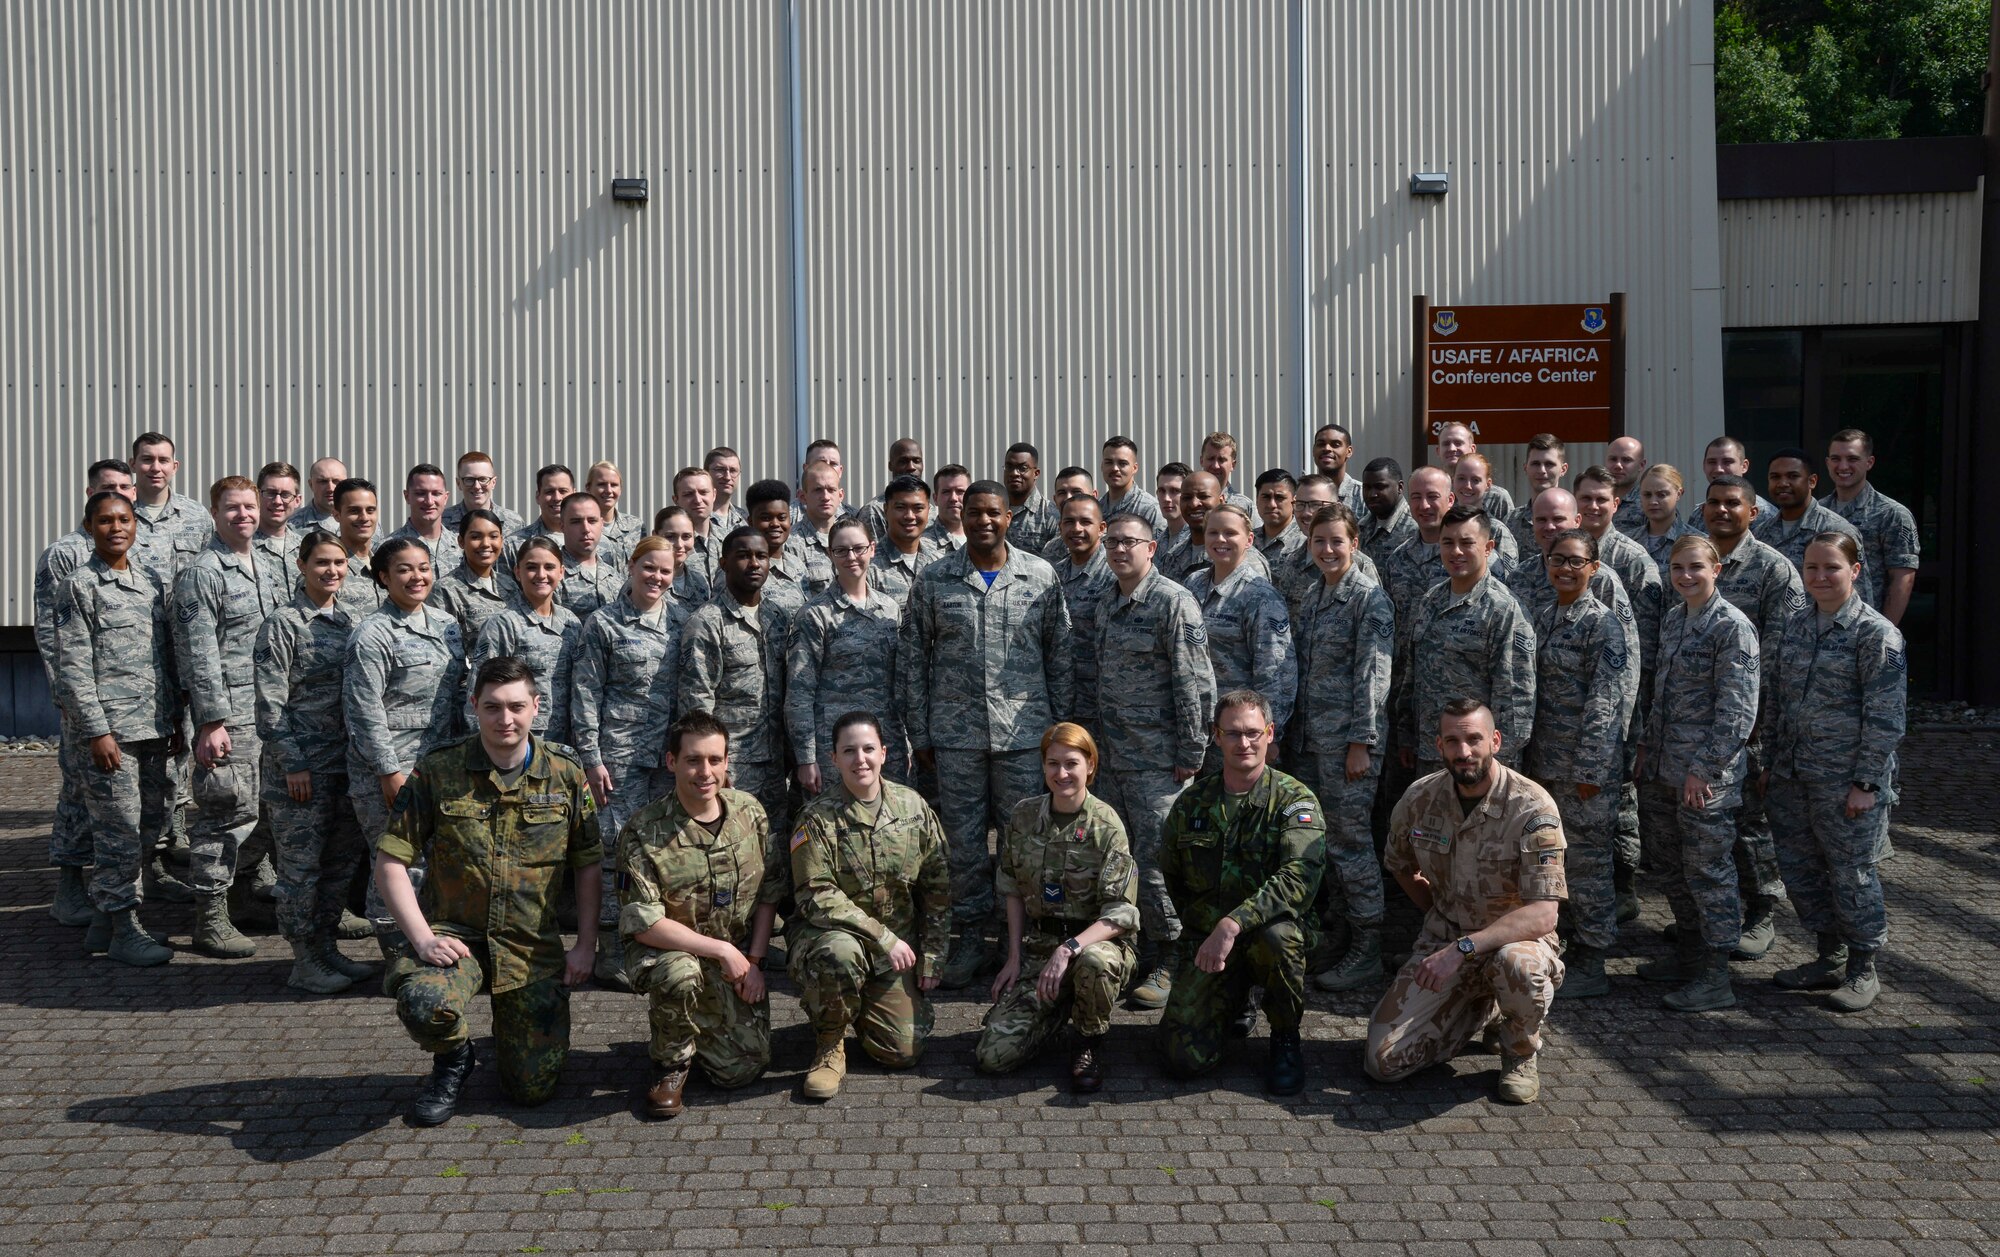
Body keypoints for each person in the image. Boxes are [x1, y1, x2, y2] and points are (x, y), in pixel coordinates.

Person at [376, 656, 599, 1126]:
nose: (506, 719)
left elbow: (588, 863)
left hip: (529, 945)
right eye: (493, 707)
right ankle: (454, 1056)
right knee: (424, 1004)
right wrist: (422, 939)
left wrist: (585, 945)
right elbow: (391, 862)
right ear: (474, 705)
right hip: (458, 937)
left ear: (537, 707)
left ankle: (511, 1032)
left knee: (532, 1092)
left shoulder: (565, 774)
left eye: (517, 706)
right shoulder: (439, 770)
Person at [899, 481, 1073, 988]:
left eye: (993, 513)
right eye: (974, 513)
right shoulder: (935, 579)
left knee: (1025, 841)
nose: (983, 522)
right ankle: (973, 937)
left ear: (1009, 518)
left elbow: (1059, 656)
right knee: (965, 845)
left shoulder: (1039, 576)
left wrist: (1059, 732)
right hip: (957, 737)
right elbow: (914, 660)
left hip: (1024, 736)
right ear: (961, 515)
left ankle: (1024, 942)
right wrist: (921, 732)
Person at [1363, 700, 1567, 1104]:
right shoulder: (1420, 798)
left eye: (1474, 739)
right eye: (1453, 741)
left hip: (1513, 943)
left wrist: (1465, 947)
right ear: (1439, 745)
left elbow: (1544, 913)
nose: (1464, 751)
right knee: (1383, 1063)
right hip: (1445, 941)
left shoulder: (1531, 806)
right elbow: (1401, 865)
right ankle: (1483, 1008)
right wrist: (1440, 917)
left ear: (1494, 740)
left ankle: (1519, 1051)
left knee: (1517, 966)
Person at [619, 709, 789, 1117]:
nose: (705, 771)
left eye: (715, 759)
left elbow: (770, 892)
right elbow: (645, 924)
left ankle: (705, 1030)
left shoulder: (750, 814)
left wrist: (754, 959)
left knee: (742, 1070)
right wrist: (723, 951)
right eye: (693, 760)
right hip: (670, 953)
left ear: (728, 762)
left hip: (735, 957)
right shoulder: (644, 831)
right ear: (671, 762)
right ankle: (671, 1064)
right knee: (680, 974)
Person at [1765, 533, 1906, 1011]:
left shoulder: (1876, 633)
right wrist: (1770, 761)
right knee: (1802, 870)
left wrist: (1867, 783)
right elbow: (1778, 701)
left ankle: (1863, 968)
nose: (1820, 577)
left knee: (1852, 875)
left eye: (1831, 568)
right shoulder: (1796, 625)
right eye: (1811, 569)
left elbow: (1886, 717)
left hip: (1847, 781)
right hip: (1793, 775)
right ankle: (1828, 955)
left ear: (1856, 570)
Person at [1158, 690, 1325, 1095]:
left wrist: (1233, 923)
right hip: (1210, 940)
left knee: (1277, 938)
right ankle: (1234, 996)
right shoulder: (1193, 803)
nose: (1244, 743)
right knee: (1181, 1060)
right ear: (1216, 737)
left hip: (1269, 935)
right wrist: (1205, 931)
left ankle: (1285, 1036)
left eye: (1253, 732)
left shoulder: (1294, 800)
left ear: (1269, 733)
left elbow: (1298, 877)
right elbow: (1174, 875)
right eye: (1232, 734)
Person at [789, 711, 952, 1099]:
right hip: (834, 941)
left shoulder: (913, 807)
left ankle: (860, 1005)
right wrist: (883, 937)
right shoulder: (816, 819)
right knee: (840, 954)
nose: (859, 759)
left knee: (902, 1052)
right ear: (833, 759)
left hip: (895, 952)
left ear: (884, 752)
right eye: (848, 751)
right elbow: (816, 895)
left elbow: (938, 885)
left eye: (867, 749)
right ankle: (830, 1044)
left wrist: (932, 956)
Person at [1093, 513, 1216, 1011]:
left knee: (1161, 864)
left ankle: (1173, 957)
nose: (1120, 550)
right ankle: (1139, 948)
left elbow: (1196, 683)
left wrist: (1191, 752)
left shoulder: (1173, 601)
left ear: (1153, 548)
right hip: (1116, 758)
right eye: (1114, 542)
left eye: (1131, 542)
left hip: (1160, 762)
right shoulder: (1108, 601)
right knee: (1121, 863)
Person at [54, 491, 184, 966]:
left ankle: (103, 923)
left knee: (151, 824)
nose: (116, 528)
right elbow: (73, 668)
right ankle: (124, 930)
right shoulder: (79, 585)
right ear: (89, 527)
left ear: (135, 525)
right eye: (105, 521)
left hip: (152, 725)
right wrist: (96, 732)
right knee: (119, 833)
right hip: (110, 734)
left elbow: (163, 656)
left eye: (124, 519)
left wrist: (174, 719)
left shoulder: (151, 580)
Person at [976, 722, 1138, 1091]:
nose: (1061, 773)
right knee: (992, 1058)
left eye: (1071, 763)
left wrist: (1069, 949)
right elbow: (1013, 888)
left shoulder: (1107, 826)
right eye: (1052, 763)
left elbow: (1120, 914)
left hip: (1096, 946)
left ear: (1090, 766)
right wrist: (1014, 957)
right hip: (1039, 950)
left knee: (1096, 964)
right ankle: (1056, 1012)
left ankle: (1088, 1040)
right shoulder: (1024, 816)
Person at [1637, 535, 1760, 1012]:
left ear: (1717, 570)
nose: (1685, 576)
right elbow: (1663, 696)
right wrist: (1648, 749)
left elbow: (1737, 711)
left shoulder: (1732, 627)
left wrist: (1703, 769)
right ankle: (1689, 954)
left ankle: (1716, 975)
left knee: (1709, 872)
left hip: (1705, 778)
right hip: (1667, 769)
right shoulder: (1675, 619)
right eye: (1677, 567)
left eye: (1696, 567)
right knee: (1671, 866)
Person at [256, 531, 378, 993]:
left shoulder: (351, 621)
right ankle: (303, 959)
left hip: (345, 766)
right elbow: (270, 704)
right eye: (322, 562)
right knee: (300, 871)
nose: (331, 571)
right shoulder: (284, 624)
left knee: (338, 865)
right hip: (301, 771)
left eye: (339, 563)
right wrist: (292, 762)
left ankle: (327, 948)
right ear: (303, 565)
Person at [172, 476, 286, 958]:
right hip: (231, 716)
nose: (244, 515)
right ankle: (209, 918)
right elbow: (198, 654)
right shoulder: (204, 572)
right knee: (226, 812)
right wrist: (210, 721)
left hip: (272, 711)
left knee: (265, 809)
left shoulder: (267, 564)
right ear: (215, 514)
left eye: (249, 507)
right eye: (232, 508)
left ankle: (240, 899)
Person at [1525, 530, 1639, 999]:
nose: (1565, 568)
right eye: (1557, 560)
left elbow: (1605, 705)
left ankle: (1594, 958)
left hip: (1583, 767)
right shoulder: (1546, 615)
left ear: (1594, 567)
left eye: (1576, 561)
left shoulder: (1602, 624)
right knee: (1556, 860)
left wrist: (1591, 771)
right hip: (1545, 762)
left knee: (1589, 865)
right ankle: (1567, 943)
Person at [572, 536, 691, 989]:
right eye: (649, 568)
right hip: (618, 754)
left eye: (665, 571)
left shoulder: (682, 621)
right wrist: (591, 757)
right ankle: (611, 947)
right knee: (613, 848)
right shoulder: (603, 624)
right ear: (630, 565)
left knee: (661, 849)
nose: (657, 577)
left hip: (667, 756)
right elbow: (586, 694)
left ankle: (655, 938)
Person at [343, 535, 468, 955]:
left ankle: (428, 943)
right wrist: (388, 771)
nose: (417, 577)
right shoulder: (372, 634)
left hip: (438, 765)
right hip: (391, 766)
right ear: (383, 577)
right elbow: (363, 709)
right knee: (396, 859)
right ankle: (395, 953)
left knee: (433, 860)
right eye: (404, 569)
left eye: (423, 567)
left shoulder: (446, 624)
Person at [1289, 505, 1394, 993]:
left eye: (1337, 541)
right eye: (1319, 541)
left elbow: (1373, 677)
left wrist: (1362, 743)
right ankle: (1339, 931)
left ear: (1355, 544)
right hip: (1312, 742)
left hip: (1347, 746)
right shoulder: (1313, 593)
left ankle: (1368, 945)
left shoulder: (1368, 600)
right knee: (1322, 845)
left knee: (1351, 845)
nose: (1327, 550)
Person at [1706, 473, 1805, 958]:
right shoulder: (1693, 560)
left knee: (1749, 823)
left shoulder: (1774, 570)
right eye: (1714, 504)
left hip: (1754, 723)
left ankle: (1761, 910)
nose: (1722, 511)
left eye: (1732, 503)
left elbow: (1786, 656)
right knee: (1707, 827)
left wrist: (1769, 734)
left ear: (1753, 512)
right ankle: (1714, 914)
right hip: (1697, 720)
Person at [38, 459, 139, 926]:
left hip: (139, 713)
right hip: (90, 711)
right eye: (106, 497)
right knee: (83, 800)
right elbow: (55, 641)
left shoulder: (144, 563)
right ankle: (74, 889)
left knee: (129, 814)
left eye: (124, 493)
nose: (116, 523)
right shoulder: (68, 562)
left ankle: (107, 913)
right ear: (88, 501)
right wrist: (79, 713)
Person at [1393, 506, 1537, 771]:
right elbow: (1412, 676)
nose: (1456, 551)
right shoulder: (1430, 601)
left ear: (1488, 547)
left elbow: (1516, 696)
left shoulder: (1503, 609)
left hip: (1478, 759)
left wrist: (1501, 761)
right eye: (1448, 542)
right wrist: (1406, 736)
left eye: (1467, 543)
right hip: (1430, 750)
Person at [680, 529, 795, 833]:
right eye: (743, 556)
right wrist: (713, 765)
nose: (754, 563)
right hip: (734, 761)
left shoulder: (778, 616)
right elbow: (697, 700)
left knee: (775, 850)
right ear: (723, 563)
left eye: (761, 556)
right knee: (731, 846)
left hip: (777, 760)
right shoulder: (707, 621)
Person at [786, 518, 907, 793]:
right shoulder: (815, 614)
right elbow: (799, 692)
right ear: (830, 554)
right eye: (841, 550)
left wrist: (906, 742)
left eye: (858, 548)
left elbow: (899, 683)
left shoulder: (888, 609)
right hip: (835, 747)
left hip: (886, 742)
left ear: (872, 549)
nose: (851, 557)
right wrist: (806, 758)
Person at [1183, 505, 1297, 761]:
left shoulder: (1259, 596)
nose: (1220, 540)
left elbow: (1276, 673)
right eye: (1213, 532)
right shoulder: (1192, 584)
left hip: (1240, 734)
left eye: (1230, 533)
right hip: (1197, 727)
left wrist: (1270, 735)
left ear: (1248, 540)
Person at [468, 537, 581, 744]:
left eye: (549, 567)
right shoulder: (502, 625)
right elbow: (479, 689)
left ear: (562, 572)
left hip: (566, 742)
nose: (541, 575)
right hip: (520, 741)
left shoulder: (571, 623)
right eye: (531, 567)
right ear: (517, 572)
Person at [1823, 428, 1920, 623]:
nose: (1843, 466)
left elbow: (1902, 579)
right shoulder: (1818, 511)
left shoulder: (1892, 514)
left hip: (1865, 627)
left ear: (1869, 463)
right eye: (1836, 458)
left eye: (1852, 459)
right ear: (1827, 462)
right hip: (1820, 626)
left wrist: (1885, 632)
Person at [1052, 494, 1114, 737]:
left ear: (1101, 528)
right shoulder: (1052, 574)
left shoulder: (1115, 575)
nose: (1076, 529)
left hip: (1103, 705)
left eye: (1085, 522)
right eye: (1069, 522)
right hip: (1062, 701)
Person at [1755, 449, 1862, 572]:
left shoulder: (1837, 530)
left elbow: (1859, 587)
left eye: (1793, 476)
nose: (1783, 483)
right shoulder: (1761, 533)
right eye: (1775, 477)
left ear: (1812, 481)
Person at [127, 431, 214, 581]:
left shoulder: (197, 514)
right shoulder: (116, 513)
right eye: (147, 459)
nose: (155, 468)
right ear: (133, 464)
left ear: (174, 467)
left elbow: (210, 568)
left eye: (163, 460)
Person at [430, 508, 519, 643]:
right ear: (461, 541)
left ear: (501, 540)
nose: (485, 544)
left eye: (493, 536)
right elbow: (441, 645)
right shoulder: (445, 590)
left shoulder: (510, 585)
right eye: (475, 537)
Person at [867, 474, 948, 603]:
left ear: (928, 510)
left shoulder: (940, 563)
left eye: (918, 508)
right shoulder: (868, 565)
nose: (909, 516)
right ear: (886, 510)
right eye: (900, 507)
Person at [553, 491, 626, 618]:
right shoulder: (553, 575)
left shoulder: (614, 575)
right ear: (562, 526)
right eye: (576, 521)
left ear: (602, 524)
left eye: (592, 521)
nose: (586, 529)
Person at [743, 479, 809, 613]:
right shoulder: (743, 569)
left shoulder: (797, 565)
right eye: (766, 518)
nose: (775, 524)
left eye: (782, 517)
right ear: (750, 522)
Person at [1685, 437, 1777, 532]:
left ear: (1744, 466)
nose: (1719, 469)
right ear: (1704, 466)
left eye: (1727, 462)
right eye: (1712, 462)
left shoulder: (1767, 515)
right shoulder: (1699, 513)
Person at [329, 478, 389, 620]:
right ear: (337, 515)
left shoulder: (386, 566)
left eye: (370, 510)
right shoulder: (329, 571)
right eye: (354, 510)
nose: (364, 517)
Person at [1433, 423, 1516, 520]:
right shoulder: (1432, 494)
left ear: (1472, 449)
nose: (1452, 448)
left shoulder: (1497, 497)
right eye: (1446, 444)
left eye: (1458, 443)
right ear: (1438, 451)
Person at [1505, 436, 1571, 555]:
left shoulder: (1575, 519)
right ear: (1525, 468)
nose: (1542, 470)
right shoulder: (1512, 521)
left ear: (1563, 469)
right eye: (1536, 464)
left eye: (1549, 464)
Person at [1450, 455, 1519, 566]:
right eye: (1461, 478)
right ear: (1453, 481)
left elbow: (1509, 578)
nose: (1468, 486)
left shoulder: (1497, 531)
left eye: (1475, 480)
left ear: (1488, 484)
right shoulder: (1444, 526)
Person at [384, 464, 455, 572]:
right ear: (407, 496)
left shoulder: (462, 546)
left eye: (436, 493)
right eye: (421, 493)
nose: (429, 501)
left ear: (445, 498)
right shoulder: (388, 548)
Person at [854, 438, 927, 542]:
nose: (911, 467)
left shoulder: (929, 508)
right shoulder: (874, 511)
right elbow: (871, 555)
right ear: (890, 466)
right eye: (903, 461)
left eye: (916, 461)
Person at [1099, 436, 1168, 540]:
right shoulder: (1098, 508)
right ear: (1102, 466)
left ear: (1134, 468)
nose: (1114, 468)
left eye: (1122, 463)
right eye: (1109, 462)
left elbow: (1157, 553)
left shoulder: (1150, 510)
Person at [506, 464, 577, 562]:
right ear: (538, 497)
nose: (557, 498)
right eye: (549, 492)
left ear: (574, 495)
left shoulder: (595, 541)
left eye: (563, 491)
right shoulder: (514, 544)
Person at [671, 467, 722, 598]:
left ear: (714, 495)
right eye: (688, 494)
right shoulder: (665, 545)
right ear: (675, 500)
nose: (698, 500)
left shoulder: (731, 541)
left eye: (704, 492)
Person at [442, 451, 524, 534]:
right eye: (469, 480)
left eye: (483, 479)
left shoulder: (514, 522)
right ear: (459, 483)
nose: (477, 486)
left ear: (493, 482)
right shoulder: (442, 522)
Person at [1002, 443, 1059, 555]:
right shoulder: (993, 510)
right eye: (1009, 467)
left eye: (1023, 468)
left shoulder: (1050, 515)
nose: (1014, 473)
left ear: (1036, 473)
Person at [1359, 457, 1417, 569]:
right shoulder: (1362, 527)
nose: (1372, 494)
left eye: (1380, 487)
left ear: (1400, 487)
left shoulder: (1415, 528)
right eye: (1367, 487)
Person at [1637, 463, 1692, 578]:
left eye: (1661, 495)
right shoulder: (1629, 541)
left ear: (1679, 494)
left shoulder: (1696, 542)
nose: (1653, 501)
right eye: (1647, 495)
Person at [586, 461, 647, 553]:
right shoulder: (581, 527)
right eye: (601, 484)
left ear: (620, 489)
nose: (609, 490)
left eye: (614, 485)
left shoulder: (635, 526)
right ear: (588, 488)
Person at [1308, 424, 1367, 514]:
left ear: (1349, 451)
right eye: (1321, 444)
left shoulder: (1363, 495)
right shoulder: (1304, 494)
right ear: (1313, 450)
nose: (1327, 448)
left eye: (1335, 445)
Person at [1252, 470, 1304, 564]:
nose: (1272, 505)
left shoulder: (1305, 542)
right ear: (1257, 500)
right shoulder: (1247, 540)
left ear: (1294, 501)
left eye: (1279, 497)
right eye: (1266, 497)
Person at [1197, 431, 1256, 512]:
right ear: (1201, 461)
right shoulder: (1187, 503)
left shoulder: (1244, 506)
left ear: (1233, 465)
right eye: (1211, 458)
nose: (1215, 466)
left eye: (1221, 460)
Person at [290, 457, 349, 534]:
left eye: (336, 481)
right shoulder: (291, 526)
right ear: (311, 485)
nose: (330, 488)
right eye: (323, 481)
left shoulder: (361, 521)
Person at [1605, 437, 1649, 537]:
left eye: (1626, 460)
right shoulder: (1595, 500)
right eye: (1613, 459)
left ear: (1641, 465)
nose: (1618, 465)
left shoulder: (1649, 503)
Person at [923, 464, 972, 551]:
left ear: (970, 496)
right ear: (935, 499)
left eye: (960, 491)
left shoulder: (982, 539)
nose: (953, 498)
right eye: (946, 492)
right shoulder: (921, 544)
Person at [705, 446, 746, 534]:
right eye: (720, 470)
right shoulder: (692, 517)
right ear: (706, 473)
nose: (727, 477)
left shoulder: (745, 518)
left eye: (733, 470)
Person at [1155, 462, 1192, 536]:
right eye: (1162, 491)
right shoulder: (1156, 541)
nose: (1166, 498)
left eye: (1175, 491)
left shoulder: (1198, 540)